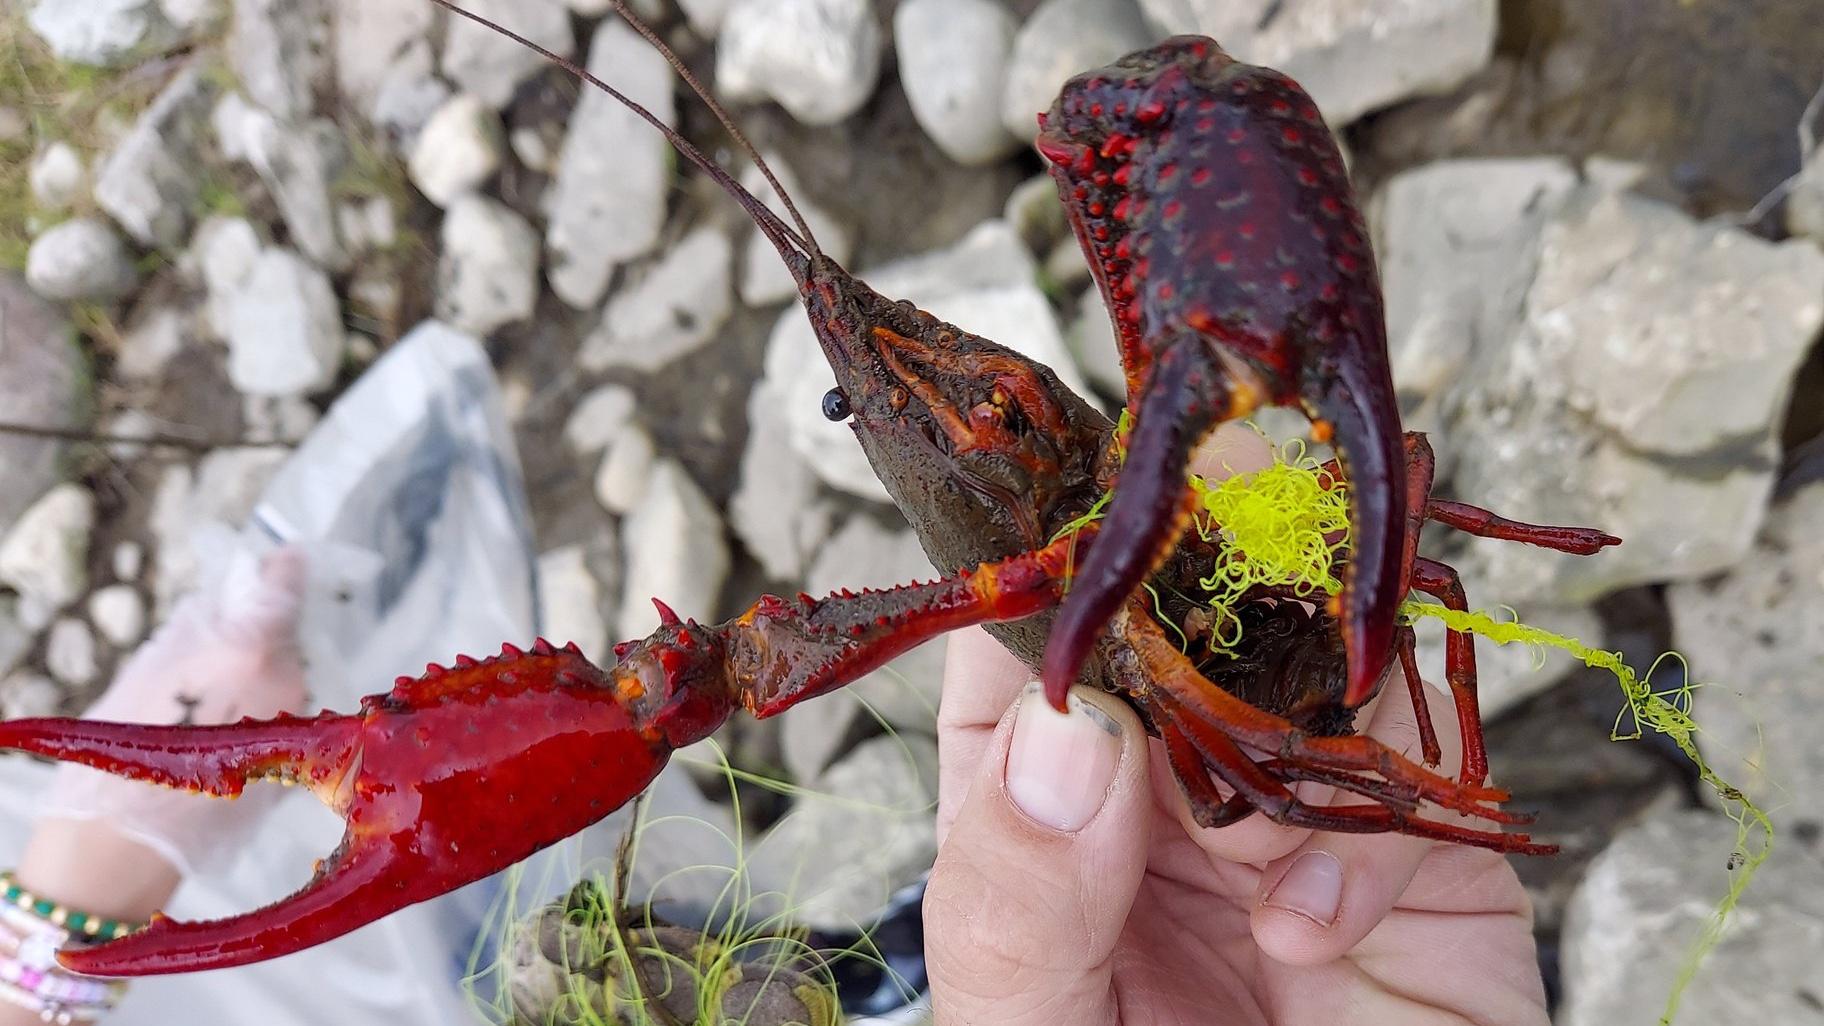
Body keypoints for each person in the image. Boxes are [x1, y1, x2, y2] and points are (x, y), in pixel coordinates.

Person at [921, 427, 1552, 1026]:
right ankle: (1437, 784)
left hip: (1253, 650)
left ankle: (1442, 780)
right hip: (1205, 689)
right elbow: (1229, 805)